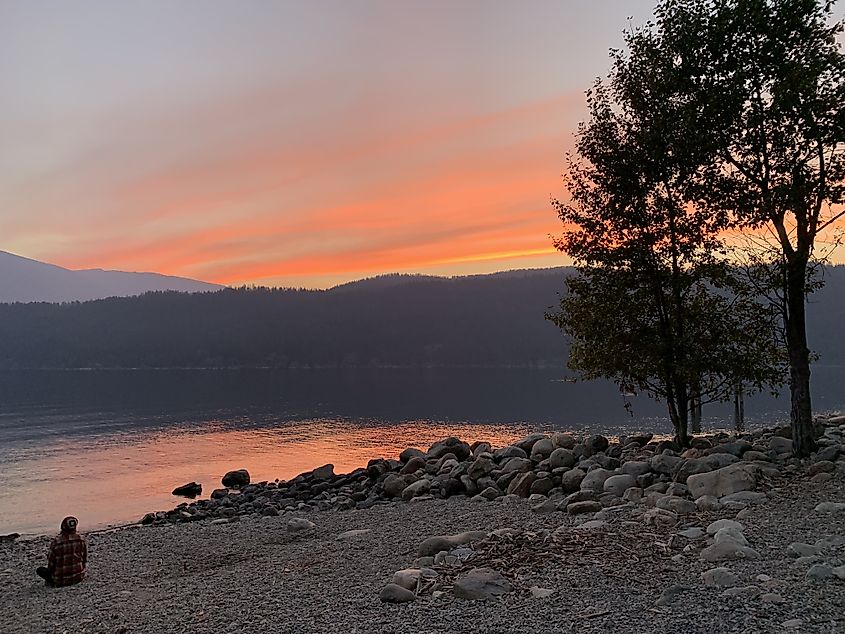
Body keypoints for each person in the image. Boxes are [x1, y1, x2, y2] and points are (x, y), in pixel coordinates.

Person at [36, 516, 87, 587]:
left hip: (61, 580)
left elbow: (51, 564)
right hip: (78, 577)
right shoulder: (81, 540)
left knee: (40, 570)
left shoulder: (57, 542)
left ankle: (52, 583)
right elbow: (84, 560)